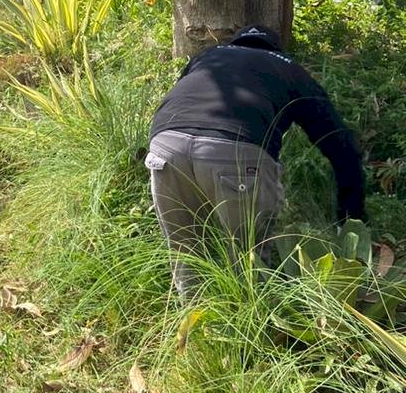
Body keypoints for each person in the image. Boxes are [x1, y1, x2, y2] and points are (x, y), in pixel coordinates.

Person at [146, 24, 365, 297]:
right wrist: (352, 218)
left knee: (186, 255)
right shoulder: (287, 68)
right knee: (249, 262)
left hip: (165, 147)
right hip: (235, 151)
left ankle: (193, 334)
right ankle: (250, 332)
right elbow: (337, 143)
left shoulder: (207, 56)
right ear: (274, 48)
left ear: (238, 43)